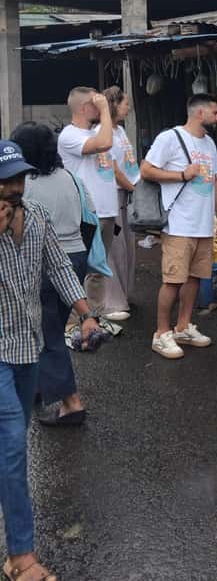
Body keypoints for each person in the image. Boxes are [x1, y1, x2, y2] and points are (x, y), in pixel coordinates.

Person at [0, 140, 98, 581]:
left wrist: (87, 315)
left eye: (18, 180)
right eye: (6, 182)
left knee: (10, 447)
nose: (14, 190)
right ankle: (21, 557)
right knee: (13, 447)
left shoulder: (36, 219)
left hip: (28, 350)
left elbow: (59, 268)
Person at [11, 122, 95, 427]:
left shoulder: (23, 185)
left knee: (47, 335)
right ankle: (38, 385)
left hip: (45, 263)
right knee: (51, 329)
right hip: (77, 257)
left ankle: (71, 402)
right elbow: (91, 213)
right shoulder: (70, 177)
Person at [140, 94, 217, 359]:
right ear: (200, 113)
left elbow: (213, 183)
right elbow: (146, 170)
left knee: (195, 279)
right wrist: (181, 175)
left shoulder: (210, 143)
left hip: (202, 225)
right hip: (179, 224)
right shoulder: (170, 138)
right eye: (215, 113)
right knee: (173, 281)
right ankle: (161, 334)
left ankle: (183, 327)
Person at [57, 86, 117, 316]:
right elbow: (104, 144)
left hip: (107, 211)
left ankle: (95, 318)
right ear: (84, 108)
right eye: (96, 102)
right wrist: (105, 110)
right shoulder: (69, 135)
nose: (101, 105)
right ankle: (72, 322)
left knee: (99, 270)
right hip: (86, 214)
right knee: (78, 267)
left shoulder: (97, 132)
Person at [102, 86, 140, 321]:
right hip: (114, 193)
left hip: (127, 192)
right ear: (114, 105)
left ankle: (123, 294)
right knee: (114, 248)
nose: (128, 107)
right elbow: (113, 169)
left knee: (127, 245)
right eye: (125, 103)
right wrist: (132, 186)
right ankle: (111, 302)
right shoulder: (104, 132)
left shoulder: (120, 131)